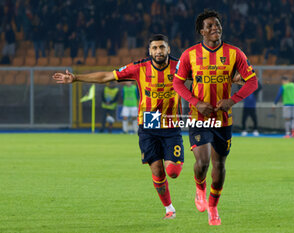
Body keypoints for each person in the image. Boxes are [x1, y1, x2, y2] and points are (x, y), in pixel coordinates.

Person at [53, 34, 184, 219]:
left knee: (173, 172)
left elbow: (204, 75)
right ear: (149, 51)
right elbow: (107, 76)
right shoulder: (139, 67)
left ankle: (199, 186)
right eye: (154, 48)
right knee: (157, 170)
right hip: (149, 122)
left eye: (162, 47)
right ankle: (169, 208)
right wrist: (76, 78)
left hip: (171, 123)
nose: (158, 51)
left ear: (168, 49)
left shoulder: (180, 66)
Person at [173, 10, 258, 225]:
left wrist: (233, 99)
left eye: (217, 25)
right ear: (201, 31)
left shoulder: (234, 53)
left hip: (223, 119)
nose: (215, 28)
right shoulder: (189, 54)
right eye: (209, 26)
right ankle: (199, 187)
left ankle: (213, 207)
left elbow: (252, 81)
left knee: (219, 167)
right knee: (202, 162)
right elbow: (177, 83)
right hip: (198, 117)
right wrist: (196, 102)